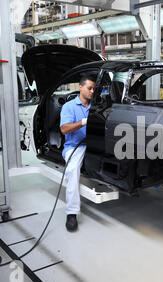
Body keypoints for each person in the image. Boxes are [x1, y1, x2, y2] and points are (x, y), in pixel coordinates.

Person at [60, 75, 96, 232]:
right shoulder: (69, 106)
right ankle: (71, 213)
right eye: (90, 88)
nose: (92, 91)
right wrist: (83, 122)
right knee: (72, 170)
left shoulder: (95, 106)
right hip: (75, 146)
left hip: (95, 145)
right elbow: (64, 129)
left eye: (94, 89)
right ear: (80, 87)